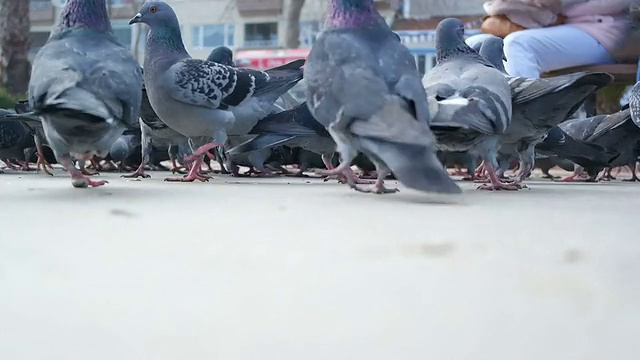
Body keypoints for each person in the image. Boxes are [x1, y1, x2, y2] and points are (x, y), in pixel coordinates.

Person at [466, 0, 632, 78]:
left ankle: (525, 116)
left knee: (517, 44)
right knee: (474, 44)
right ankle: (477, 117)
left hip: (599, 33)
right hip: (546, 28)